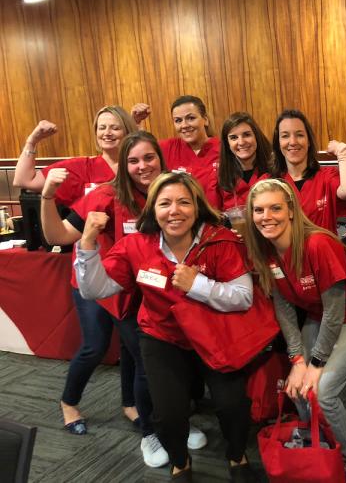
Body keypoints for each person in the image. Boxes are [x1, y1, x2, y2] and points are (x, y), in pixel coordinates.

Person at [74, 171, 258, 482]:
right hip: (162, 337)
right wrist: (88, 241)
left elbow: (243, 298)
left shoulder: (220, 241)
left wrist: (197, 284)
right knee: (169, 414)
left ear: (197, 207)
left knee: (233, 405)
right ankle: (180, 462)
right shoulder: (136, 246)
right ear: (153, 210)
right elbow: (95, 290)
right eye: (165, 203)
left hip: (216, 335)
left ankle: (237, 455)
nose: (174, 211)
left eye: (184, 202)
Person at [40, 131, 174, 467]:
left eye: (149, 157)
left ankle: (135, 407)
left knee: (142, 356)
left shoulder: (171, 190)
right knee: (116, 351)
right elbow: (56, 236)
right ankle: (146, 430)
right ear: (124, 166)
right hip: (108, 288)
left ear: (161, 158)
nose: (143, 166)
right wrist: (47, 197)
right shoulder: (106, 195)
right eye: (133, 160)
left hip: (154, 291)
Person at [12, 106, 142, 429]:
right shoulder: (83, 169)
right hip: (91, 273)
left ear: (127, 131)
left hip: (130, 274)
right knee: (95, 344)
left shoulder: (136, 169)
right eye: (102, 127)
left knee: (133, 345)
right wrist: (32, 140)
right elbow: (22, 179)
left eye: (115, 127)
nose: (107, 133)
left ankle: (131, 403)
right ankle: (69, 401)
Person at [245, 178, 346, 483]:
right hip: (318, 317)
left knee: (323, 390)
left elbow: (335, 309)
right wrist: (297, 361)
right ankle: (321, 447)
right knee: (297, 387)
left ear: (291, 210)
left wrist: (316, 364)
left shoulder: (317, 243)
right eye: (259, 210)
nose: (267, 216)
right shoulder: (266, 250)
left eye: (276, 208)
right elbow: (284, 307)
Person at [271, 109, 346, 233]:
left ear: (308, 142)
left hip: (323, 251)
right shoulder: (271, 183)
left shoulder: (326, 177)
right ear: (278, 143)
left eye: (300, 135)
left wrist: (343, 150)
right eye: (285, 136)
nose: (293, 142)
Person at [132, 96, 220, 193]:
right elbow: (140, 148)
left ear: (205, 120)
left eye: (191, 118)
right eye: (178, 120)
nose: (184, 125)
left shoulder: (223, 148)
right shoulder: (167, 148)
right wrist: (135, 123)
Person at [212, 111, 272, 210]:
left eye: (247, 135)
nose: (241, 142)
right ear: (227, 144)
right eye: (234, 137)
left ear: (256, 136)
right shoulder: (220, 175)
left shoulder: (275, 170)